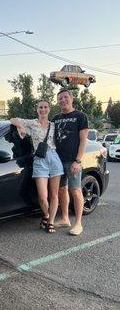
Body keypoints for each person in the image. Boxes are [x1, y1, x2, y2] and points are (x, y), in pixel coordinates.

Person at [10, 100, 64, 233]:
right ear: (37, 109)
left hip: (54, 159)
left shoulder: (54, 125)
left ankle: (50, 221)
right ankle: (45, 215)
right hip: (40, 160)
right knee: (42, 196)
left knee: (54, 194)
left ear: (49, 109)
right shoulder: (32, 123)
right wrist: (21, 127)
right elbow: (13, 119)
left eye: (45, 107)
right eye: (41, 107)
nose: (43, 110)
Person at [52, 88, 89, 236]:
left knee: (75, 190)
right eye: (60, 98)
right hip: (57, 162)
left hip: (72, 161)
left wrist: (78, 161)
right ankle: (65, 218)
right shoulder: (55, 118)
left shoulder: (80, 116)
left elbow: (83, 141)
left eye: (65, 97)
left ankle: (78, 223)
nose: (63, 100)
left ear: (71, 99)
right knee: (62, 190)